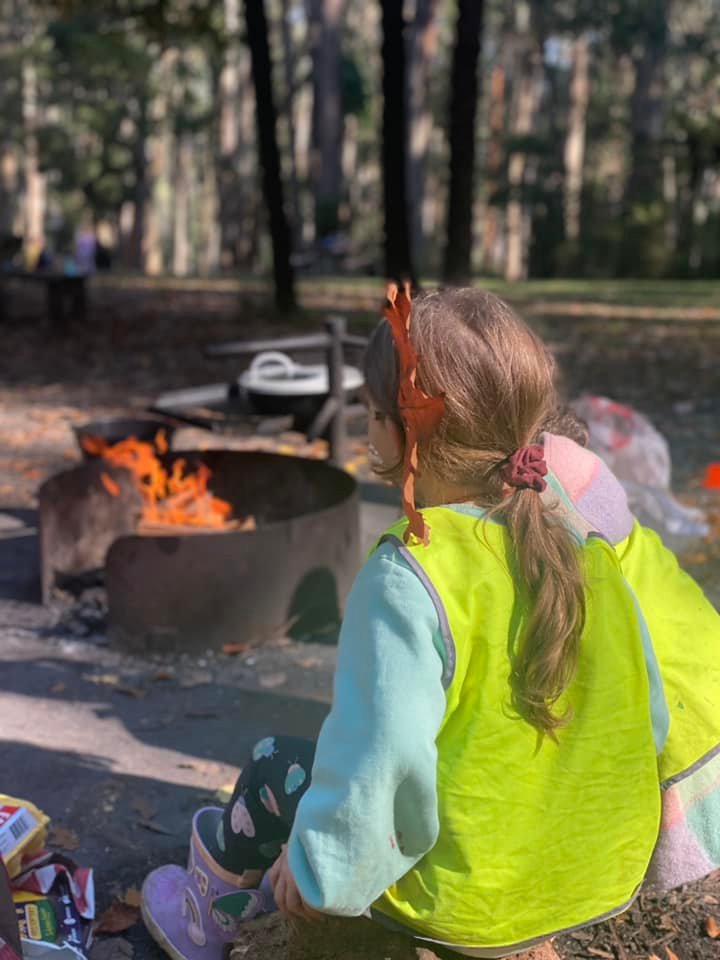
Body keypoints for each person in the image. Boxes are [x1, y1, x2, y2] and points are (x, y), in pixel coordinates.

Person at [142, 287, 720, 960]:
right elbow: (641, 719)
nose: (363, 424)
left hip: (467, 904)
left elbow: (381, 763)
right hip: (587, 880)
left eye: (367, 409)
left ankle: (208, 917)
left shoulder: (408, 576)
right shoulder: (584, 544)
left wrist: (317, 869)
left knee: (276, 766)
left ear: (399, 430)